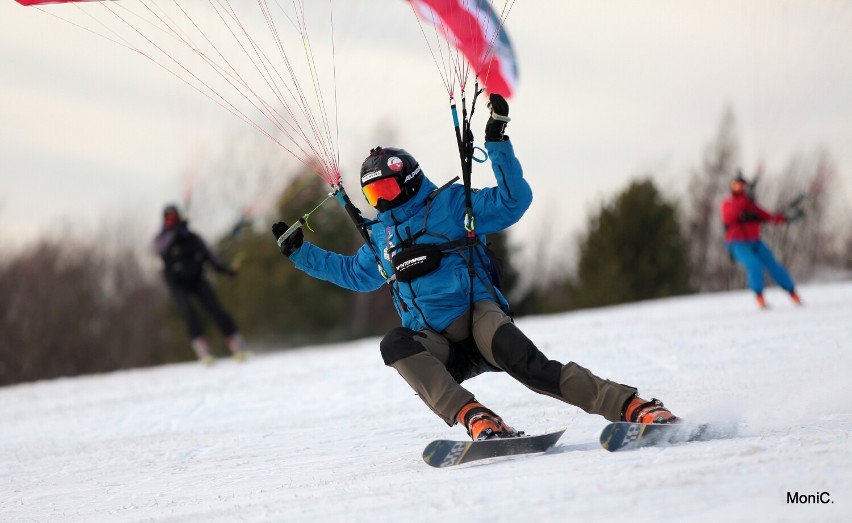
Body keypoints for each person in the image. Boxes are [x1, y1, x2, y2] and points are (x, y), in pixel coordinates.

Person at [272, 94, 677, 441]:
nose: (383, 201)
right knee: (393, 343)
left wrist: (497, 143)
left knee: (532, 369)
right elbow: (354, 275)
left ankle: (633, 405)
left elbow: (512, 202)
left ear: (410, 182)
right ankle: (476, 417)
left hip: (479, 319)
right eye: (374, 193)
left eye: (388, 189)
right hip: (436, 342)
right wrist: (301, 253)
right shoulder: (381, 236)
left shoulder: (450, 205)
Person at [153, 204, 247, 364]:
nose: (171, 220)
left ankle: (236, 345)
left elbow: (210, 257)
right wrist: (173, 233)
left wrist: (226, 269)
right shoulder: (162, 238)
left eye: (173, 217)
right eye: (167, 218)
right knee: (188, 313)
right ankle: (203, 351)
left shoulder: (192, 237)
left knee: (216, 310)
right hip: (177, 284)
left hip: (197, 279)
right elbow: (157, 249)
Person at [720, 174, 802, 309]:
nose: (739, 189)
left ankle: (792, 292)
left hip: (756, 243)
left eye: (742, 186)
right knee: (754, 265)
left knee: (773, 265)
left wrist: (787, 218)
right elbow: (733, 213)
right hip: (737, 244)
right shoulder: (728, 204)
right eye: (736, 185)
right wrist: (745, 199)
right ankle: (759, 297)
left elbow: (769, 217)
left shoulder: (752, 206)